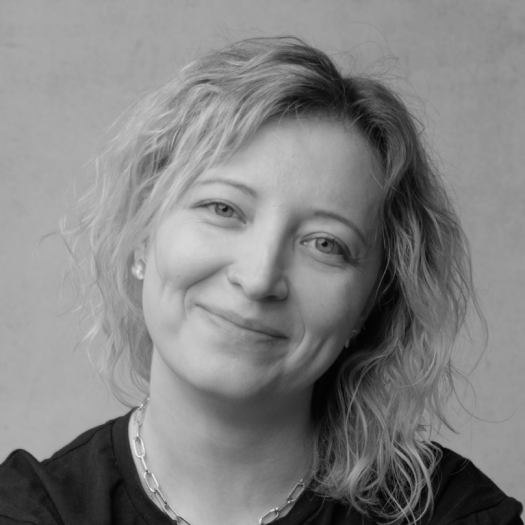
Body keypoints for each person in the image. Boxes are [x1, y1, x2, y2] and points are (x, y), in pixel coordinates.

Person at [0, 37, 522, 525]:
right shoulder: (30, 510)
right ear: (142, 235)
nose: (258, 279)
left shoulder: (454, 513)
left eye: (325, 243)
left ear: (369, 304)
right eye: (223, 208)